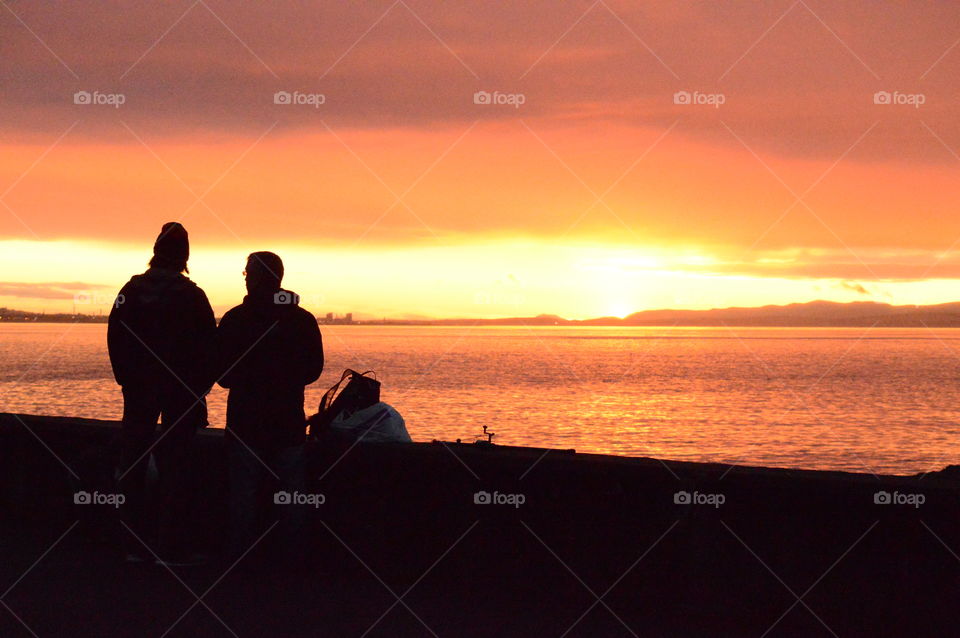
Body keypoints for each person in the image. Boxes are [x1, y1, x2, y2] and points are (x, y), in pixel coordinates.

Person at [107, 222, 216, 565]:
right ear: (184, 256)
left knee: (133, 462)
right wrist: (198, 391)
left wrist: (126, 380)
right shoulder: (191, 296)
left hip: (139, 390)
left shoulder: (131, 290)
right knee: (176, 465)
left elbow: (115, 338)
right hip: (179, 393)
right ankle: (170, 546)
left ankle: (131, 543)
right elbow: (208, 349)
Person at [217, 251, 324, 562]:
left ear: (255, 277)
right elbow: (313, 370)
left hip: (245, 421)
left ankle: (237, 556)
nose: (245, 277)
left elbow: (223, 375)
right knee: (292, 492)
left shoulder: (236, 319)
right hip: (287, 419)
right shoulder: (302, 319)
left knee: (243, 492)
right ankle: (294, 556)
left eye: (247, 272)